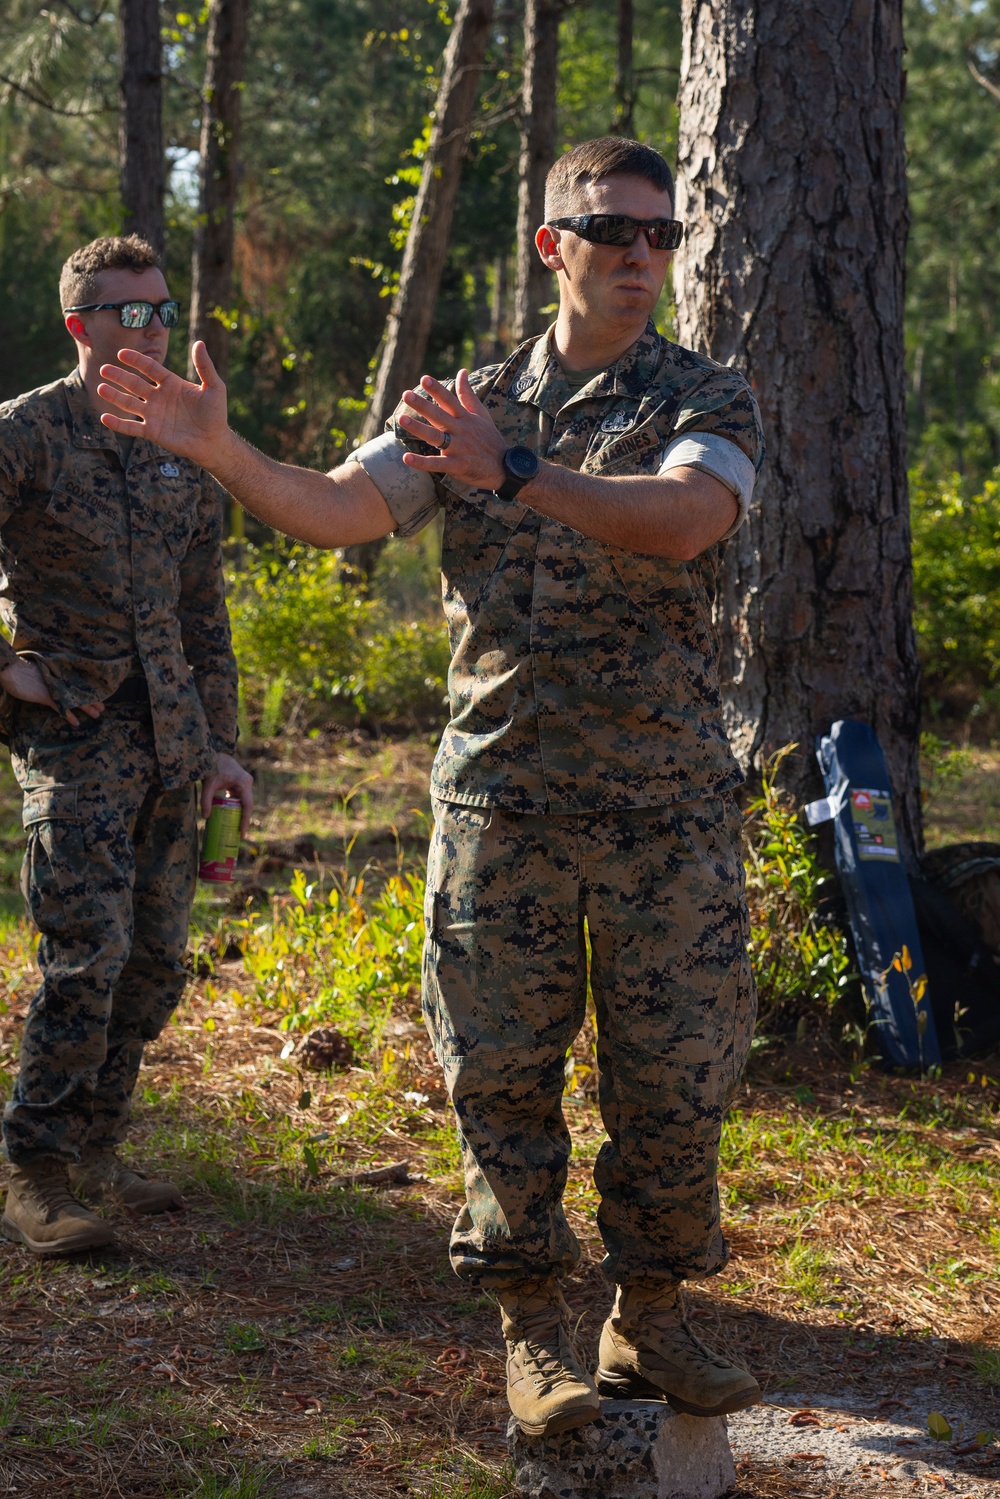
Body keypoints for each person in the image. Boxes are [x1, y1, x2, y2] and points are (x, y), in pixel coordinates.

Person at [98, 139, 763, 1436]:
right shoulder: (461, 403)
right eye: (613, 231)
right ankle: (533, 1333)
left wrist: (516, 472)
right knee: (500, 1079)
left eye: (661, 237)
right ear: (550, 245)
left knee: (677, 1083)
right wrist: (226, 451)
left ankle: (652, 1309)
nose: (642, 257)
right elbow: (346, 506)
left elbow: (685, 520)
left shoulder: (705, 395)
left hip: (662, 811)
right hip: (501, 808)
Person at [0, 234, 252, 1257]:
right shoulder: (26, 432)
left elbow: (205, 609)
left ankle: (99, 1148)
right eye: (127, 312)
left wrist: (224, 744)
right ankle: (35, 1169)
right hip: (75, 737)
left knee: (155, 961)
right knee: (87, 956)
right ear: (80, 326)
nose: (149, 327)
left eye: (159, 309)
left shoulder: (178, 440)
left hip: (171, 743)